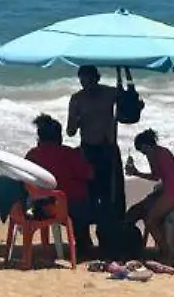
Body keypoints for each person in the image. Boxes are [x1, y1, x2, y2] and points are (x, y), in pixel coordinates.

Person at [25, 113, 96, 254]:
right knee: (87, 196)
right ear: (59, 137)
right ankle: (83, 243)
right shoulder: (69, 153)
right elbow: (89, 174)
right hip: (72, 209)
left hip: (40, 209)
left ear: (39, 137)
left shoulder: (31, 155)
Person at [67, 65, 121, 243]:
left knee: (111, 196)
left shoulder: (110, 93)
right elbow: (70, 131)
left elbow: (130, 109)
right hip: (88, 150)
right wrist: (78, 119)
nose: (86, 85)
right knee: (88, 195)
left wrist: (125, 78)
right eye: (83, 81)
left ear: (97, 79)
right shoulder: (76, 99)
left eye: (89, 81)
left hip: (109, 149)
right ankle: (85, 239)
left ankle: (108, 235)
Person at [122, 129, 174, 259]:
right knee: (141, 211)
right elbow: (161, 176)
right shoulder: (162, 151)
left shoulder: (153, 153)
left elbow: (155, 177)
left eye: (143, 151)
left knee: (151, 220)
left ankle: (166, 252)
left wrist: (135, 172)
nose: (144, 154)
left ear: (146, 146)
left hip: (171, 192)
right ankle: (158, 249)